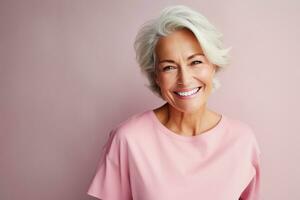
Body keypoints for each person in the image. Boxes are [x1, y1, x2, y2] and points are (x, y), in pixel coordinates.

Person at [87, 5, 261, 200]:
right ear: (156, 77)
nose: (185, 79)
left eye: (195, 62)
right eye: (169, 67)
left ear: (214, 65)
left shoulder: (242, 141)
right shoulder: (128, 139)